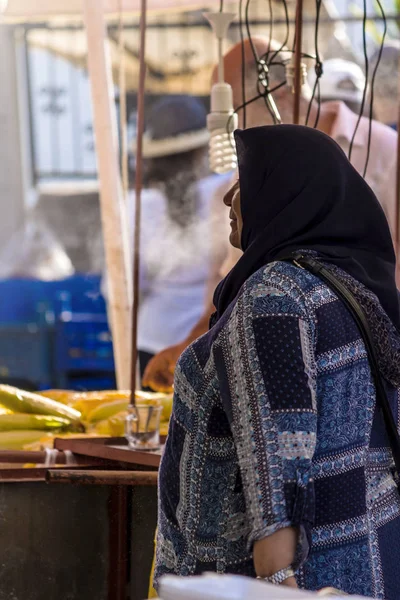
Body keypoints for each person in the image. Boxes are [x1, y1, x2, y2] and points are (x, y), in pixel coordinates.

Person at [154, 124, 400, 597]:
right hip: (365, 563)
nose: (229, 198)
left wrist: (274, 579)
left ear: (286, 192)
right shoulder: (350, 289)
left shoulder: (274, 295)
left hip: (278, 576)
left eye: (245, 180)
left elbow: (277, 444)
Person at [143, 37, 400, 392]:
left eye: (233, 107)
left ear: (274, 91)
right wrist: (189, 348)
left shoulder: (386, 151)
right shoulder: (253, 171)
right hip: (270, 369)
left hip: (363, 372)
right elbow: (228, 278)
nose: (227, 124)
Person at [111, 95, 229, 377]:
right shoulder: (226, 189)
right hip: (211, 336)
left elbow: (127, 286)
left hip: (153, 340)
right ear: (204, 149)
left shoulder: (135, 206)